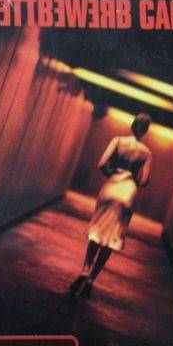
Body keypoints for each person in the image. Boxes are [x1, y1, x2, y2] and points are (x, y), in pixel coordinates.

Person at [69, 113, 152, 299]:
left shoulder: (118, 140)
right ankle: (91, 280)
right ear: (146, 131)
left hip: (111, 187)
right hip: (128, 193)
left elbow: (102, 164)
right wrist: (132, 179)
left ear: (132, 125)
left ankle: (85, 269)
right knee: (112, 237)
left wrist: (113, 176)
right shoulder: (147, 153)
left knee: (97, 231)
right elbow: (144, 181)